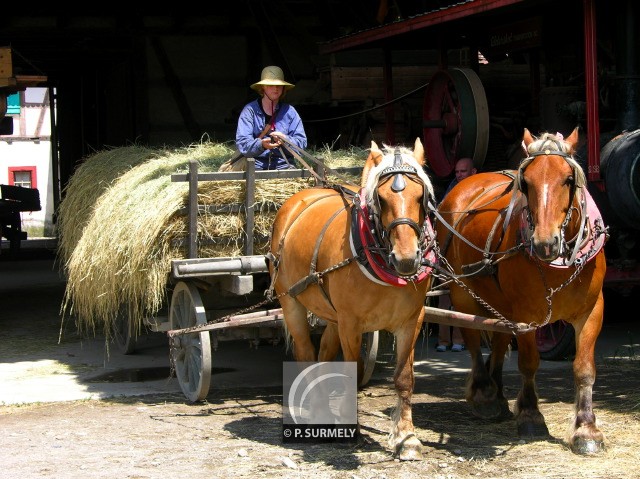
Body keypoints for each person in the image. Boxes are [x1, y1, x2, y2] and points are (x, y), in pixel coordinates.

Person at [436, 157, 477, 352]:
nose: (459, 175)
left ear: (473, 172)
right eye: (457, 172)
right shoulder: (450, 193)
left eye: (463, 171)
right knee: (444, 297)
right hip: (447, 251)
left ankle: (460, 340)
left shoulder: (478, 190)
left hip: (466, 253)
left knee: (462, 298)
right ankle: (443, 341)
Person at [235, 66, 307, 170]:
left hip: (285, 165)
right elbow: (242, 143)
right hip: (255, 166)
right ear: (263, 87)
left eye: (279, 85)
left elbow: (302, 144)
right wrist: (261, 145)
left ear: (283, 88)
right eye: (271, 85)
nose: (276, 88)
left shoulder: (290, 112)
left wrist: (285, 139)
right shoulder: (249, 111)